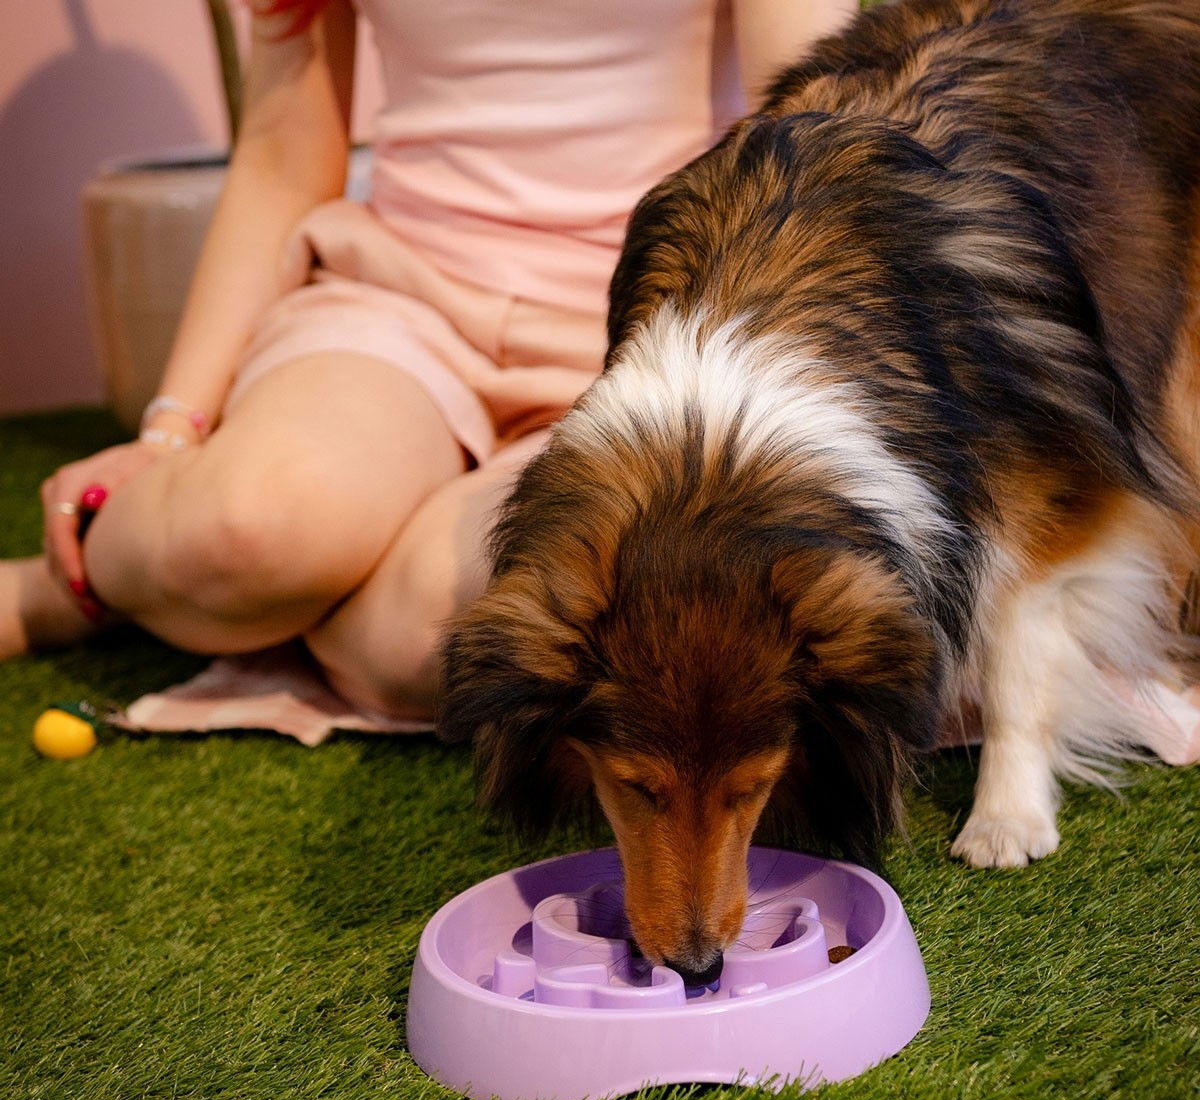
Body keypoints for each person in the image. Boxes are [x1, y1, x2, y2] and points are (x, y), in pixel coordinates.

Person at [0, 0, 857, 720]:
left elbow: (808, 132)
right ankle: (76, 587)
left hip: (647, 332)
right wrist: (169, 434)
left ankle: (295, 592)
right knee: (241, 534)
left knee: (425, 640)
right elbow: (280, 152)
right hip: (402, 294)